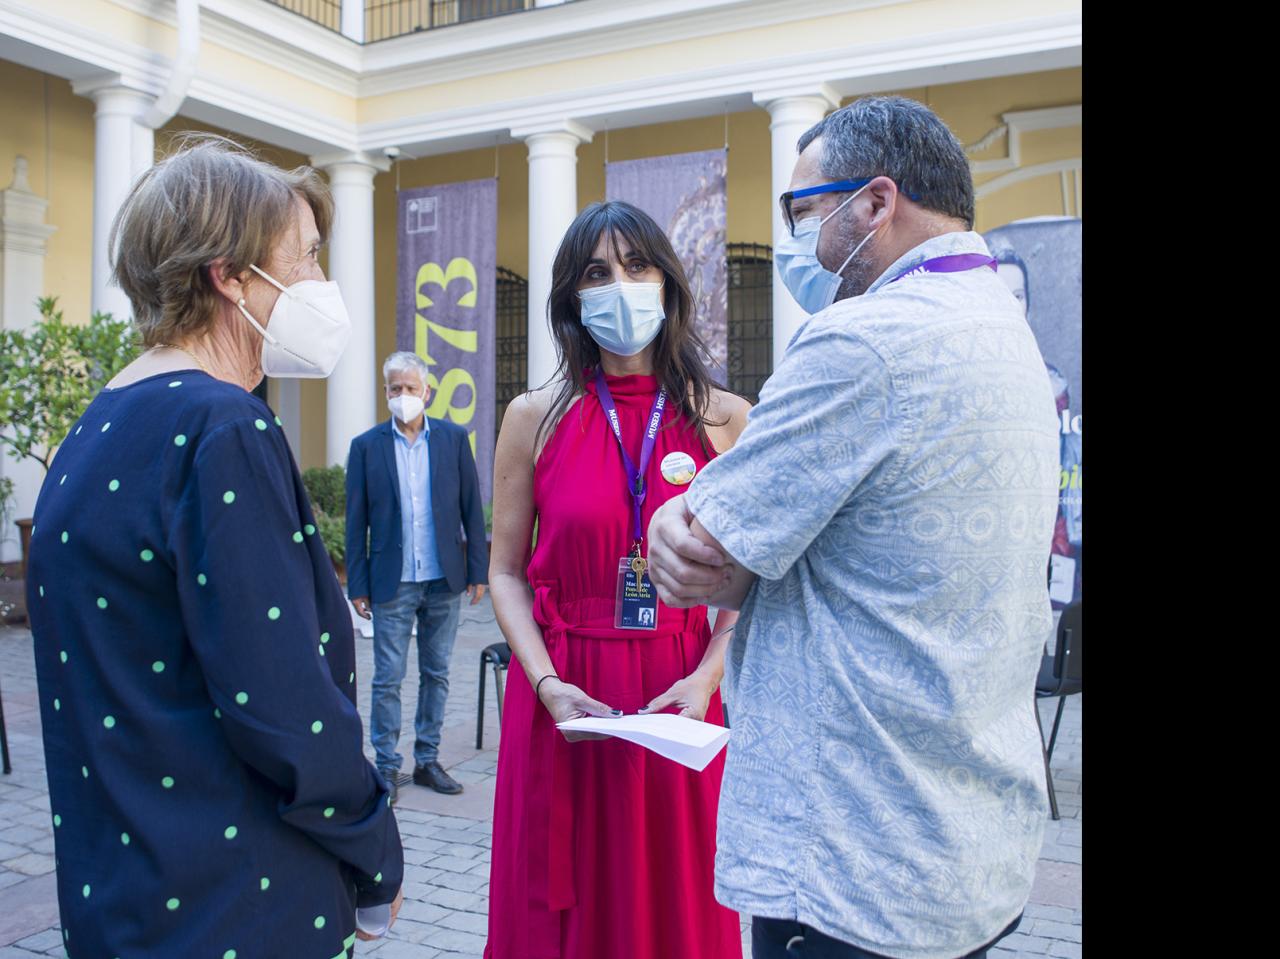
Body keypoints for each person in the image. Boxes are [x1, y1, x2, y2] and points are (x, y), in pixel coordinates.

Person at [647, 96, 1061, 959]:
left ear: (875, 202)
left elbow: (705, 551)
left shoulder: (864, 340)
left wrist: (668, 516)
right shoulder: (1001, 322)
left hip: (852, 855)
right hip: (964, 840)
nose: (798, 239)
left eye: (804, 212)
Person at [25, 135, 403, 958]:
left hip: (123, 895)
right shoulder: (222, 425)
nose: (321, 284)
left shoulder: (97, 424)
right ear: (229, 275)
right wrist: (376, 854)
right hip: (237, 903)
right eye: (304, 258)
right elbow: (281, 702)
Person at [484, 200, 750, 959]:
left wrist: (708, 674)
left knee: (675, 904)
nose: (620, 285)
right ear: (572, 295)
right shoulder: (533, 416)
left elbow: (753, 576)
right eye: (597, 272)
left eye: (636, 265)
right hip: (566, 698)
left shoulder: (725, 418)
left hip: (680, 698)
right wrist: (543, 682)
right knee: (563, 913)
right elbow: (504, 572)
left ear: (667, 281)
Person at [345, 351, 489, 801]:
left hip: (443, 577)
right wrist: (358, 584)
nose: (403, 396)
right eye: (395, 389)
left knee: (438, 673)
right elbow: (356, 522)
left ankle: (427, 760)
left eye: (411, 388)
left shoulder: (451, 440)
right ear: (386, 392)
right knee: (387, 677)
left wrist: (477, 571)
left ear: (427, 392)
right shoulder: (366, 446)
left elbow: (471, 508)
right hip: (392, 580)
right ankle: (386, 767)